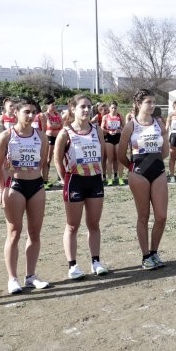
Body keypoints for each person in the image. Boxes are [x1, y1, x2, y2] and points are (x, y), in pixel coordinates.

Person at [0, 96, 51, 293]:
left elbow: (42, 162)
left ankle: (31, 276)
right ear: (15, 113)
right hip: (14, 186)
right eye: (27, 111)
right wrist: (2, 189)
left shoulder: (41, 137)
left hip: (36, 186)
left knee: (34, 233)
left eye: (34, 112)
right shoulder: (6, 136)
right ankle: (12, 278)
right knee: (14, 233)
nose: (31, 115)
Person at [53, 94, 109, 279]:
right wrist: (64, 178)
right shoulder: (65, 132)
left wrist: (99, 173)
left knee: (94, 224)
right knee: (72, 226)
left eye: (89, 106)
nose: (86, 110)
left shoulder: (97, 130)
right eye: (82, 106)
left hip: (94, 181)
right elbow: (57, 158)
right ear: (73, 109)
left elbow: (102, 154)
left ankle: (96, 262)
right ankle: (73, 265)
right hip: (74, 181)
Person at [118, 89, 170, 270]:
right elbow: (120, 154)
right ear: (139, 104)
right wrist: (133, 168)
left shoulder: (159, 123)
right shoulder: (130, 126)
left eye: (154, 102)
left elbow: (165, 151)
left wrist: (154, 162)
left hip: (158, 171)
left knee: (162, 216)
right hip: (138, 173)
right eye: (148, 102)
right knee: (143, 216)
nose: (152, 105)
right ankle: (145, 255)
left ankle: (154, 252)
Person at [36, 97, 63, 190]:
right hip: (50, 137)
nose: (54, 106)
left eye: (55, 104)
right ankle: (44, 180)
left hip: (58, 137)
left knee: (59, 158)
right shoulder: (45, 114)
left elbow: (61, 124)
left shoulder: (57, 114)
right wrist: (57, 125)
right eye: (53, 105)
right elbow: (50, 125)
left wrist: (56, 126)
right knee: (47, 159)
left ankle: (60, 178)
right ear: (48, 105)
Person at [101, 102, 125, 185]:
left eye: (115, 108)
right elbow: (101, 128)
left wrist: (120, 130)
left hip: (118, 138)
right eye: (112, 108)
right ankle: (109, 179)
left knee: (119, 159)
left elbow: (125, 128)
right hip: (109, 138)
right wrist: (108, 131)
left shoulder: (120, 116)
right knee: (110, 159)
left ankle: (120, 178)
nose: (114, 109)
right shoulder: (105, 117)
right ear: (109, 108)